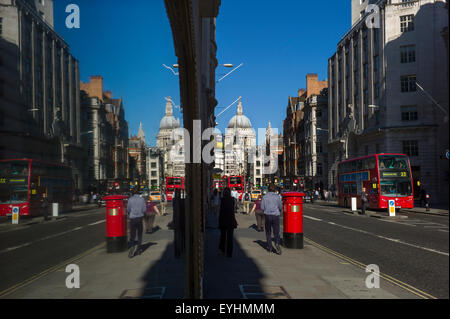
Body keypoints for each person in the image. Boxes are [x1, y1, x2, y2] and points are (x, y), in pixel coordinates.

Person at [261, 184, 283, 255]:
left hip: (267, 215)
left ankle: (270, 247)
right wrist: (279, 211)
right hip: (276, 215)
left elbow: (262, 207)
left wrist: (266, 210)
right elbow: (280, 206)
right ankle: (276, 243)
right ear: (275, 189)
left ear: (268, 189)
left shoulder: (265, 197)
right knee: (276, 232)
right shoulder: (277, 197)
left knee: (268, 232)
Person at [127, 189, 147, 258]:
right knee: (139, 234)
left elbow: (128, 209)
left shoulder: (130, 199)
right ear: (139, 193)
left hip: (132, 219)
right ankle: (138, 249)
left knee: (132, 235)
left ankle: (132, 246)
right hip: (139, 219)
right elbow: (144, 209)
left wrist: (131, 213)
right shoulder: (142, 199)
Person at [218, 188, 238, 257]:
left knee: (223, 236)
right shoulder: (232, 200)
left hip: (223, 220)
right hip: (231, 220)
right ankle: (229, 253)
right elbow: (233, 210)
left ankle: (223, 250)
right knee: (230, 237)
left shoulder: (222, 200)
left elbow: (221, 211)